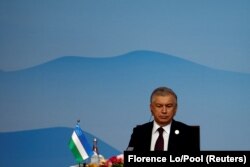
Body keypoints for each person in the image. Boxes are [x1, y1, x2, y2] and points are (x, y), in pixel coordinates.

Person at [127, 86, 200, 151]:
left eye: (168, 106)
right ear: (151, 108)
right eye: (159, 106)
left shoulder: (188, 133)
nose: (164, 111)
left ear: (175, 108)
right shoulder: (139, 132)